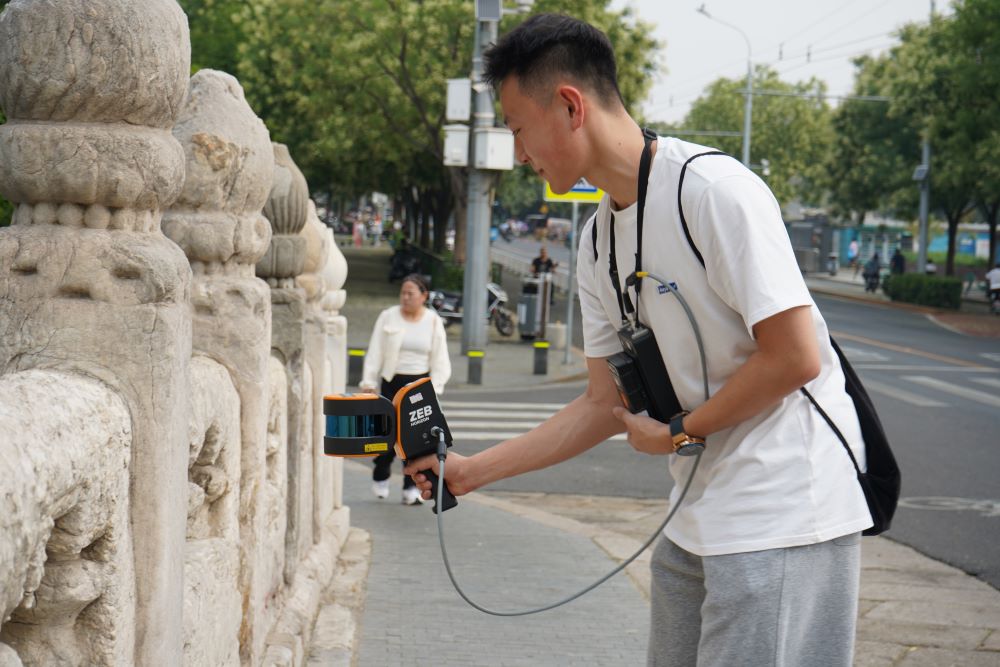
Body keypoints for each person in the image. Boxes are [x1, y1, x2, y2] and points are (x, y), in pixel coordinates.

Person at [405, 14, 871, 667]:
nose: (518, 154)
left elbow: (795, 355)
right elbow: (603, 403)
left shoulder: (715, 192)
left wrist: (681, 429)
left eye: (517, 129)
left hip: (784, 506)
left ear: (569, 105)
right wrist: (472, 471)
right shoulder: (597, 241)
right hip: (695, 510)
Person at [361, 274, 451, 505]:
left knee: (414, 439)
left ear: (424, 296)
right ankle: (381, 474)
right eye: (403, 293)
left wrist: (436, 388)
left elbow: (440, 358)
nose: (406, 297)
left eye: (411, 293)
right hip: (392, 381)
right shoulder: (388, 316)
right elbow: (375, 351)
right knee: (389, 435)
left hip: (419, 386)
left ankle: (411, 487)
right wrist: (368, 383)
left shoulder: (433, 320)